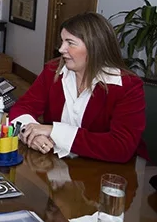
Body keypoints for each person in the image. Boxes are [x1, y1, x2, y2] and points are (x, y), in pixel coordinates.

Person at [9, 12, 147, 163]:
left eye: (70, 43)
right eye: (62, 41)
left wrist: (54, 131)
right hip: (56, 167)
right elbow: (21, 108)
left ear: (94, 47)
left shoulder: (127, 87)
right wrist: (30, 133)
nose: (61, 49)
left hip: (107, 172)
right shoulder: (52, 71)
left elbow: (121, 147)